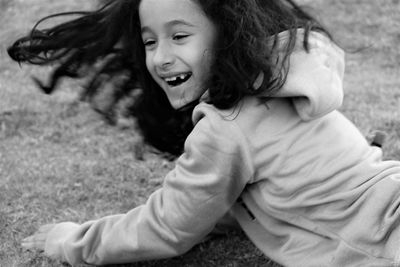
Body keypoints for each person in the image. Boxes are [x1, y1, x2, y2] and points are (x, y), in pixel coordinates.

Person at [7, 0, 400, 266]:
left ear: (227, 34)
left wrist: (72, 241)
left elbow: (167, 226)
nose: (160, 57)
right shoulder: (280, 84)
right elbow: (227, 204)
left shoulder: (226, 127)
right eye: (150, 41)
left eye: (179, 36)